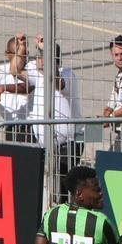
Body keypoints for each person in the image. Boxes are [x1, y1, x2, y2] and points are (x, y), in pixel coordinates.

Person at [27, 45, 77, 204]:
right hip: (45, 145)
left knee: (64, 189)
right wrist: (21, 45)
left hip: (68, 144)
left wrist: (46, 49)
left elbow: (57, 83)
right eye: (39, 56)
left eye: (43, 56)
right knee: (44, 186)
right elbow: (15, 70)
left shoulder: (67, 74)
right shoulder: (39, 76)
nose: (38, 59)